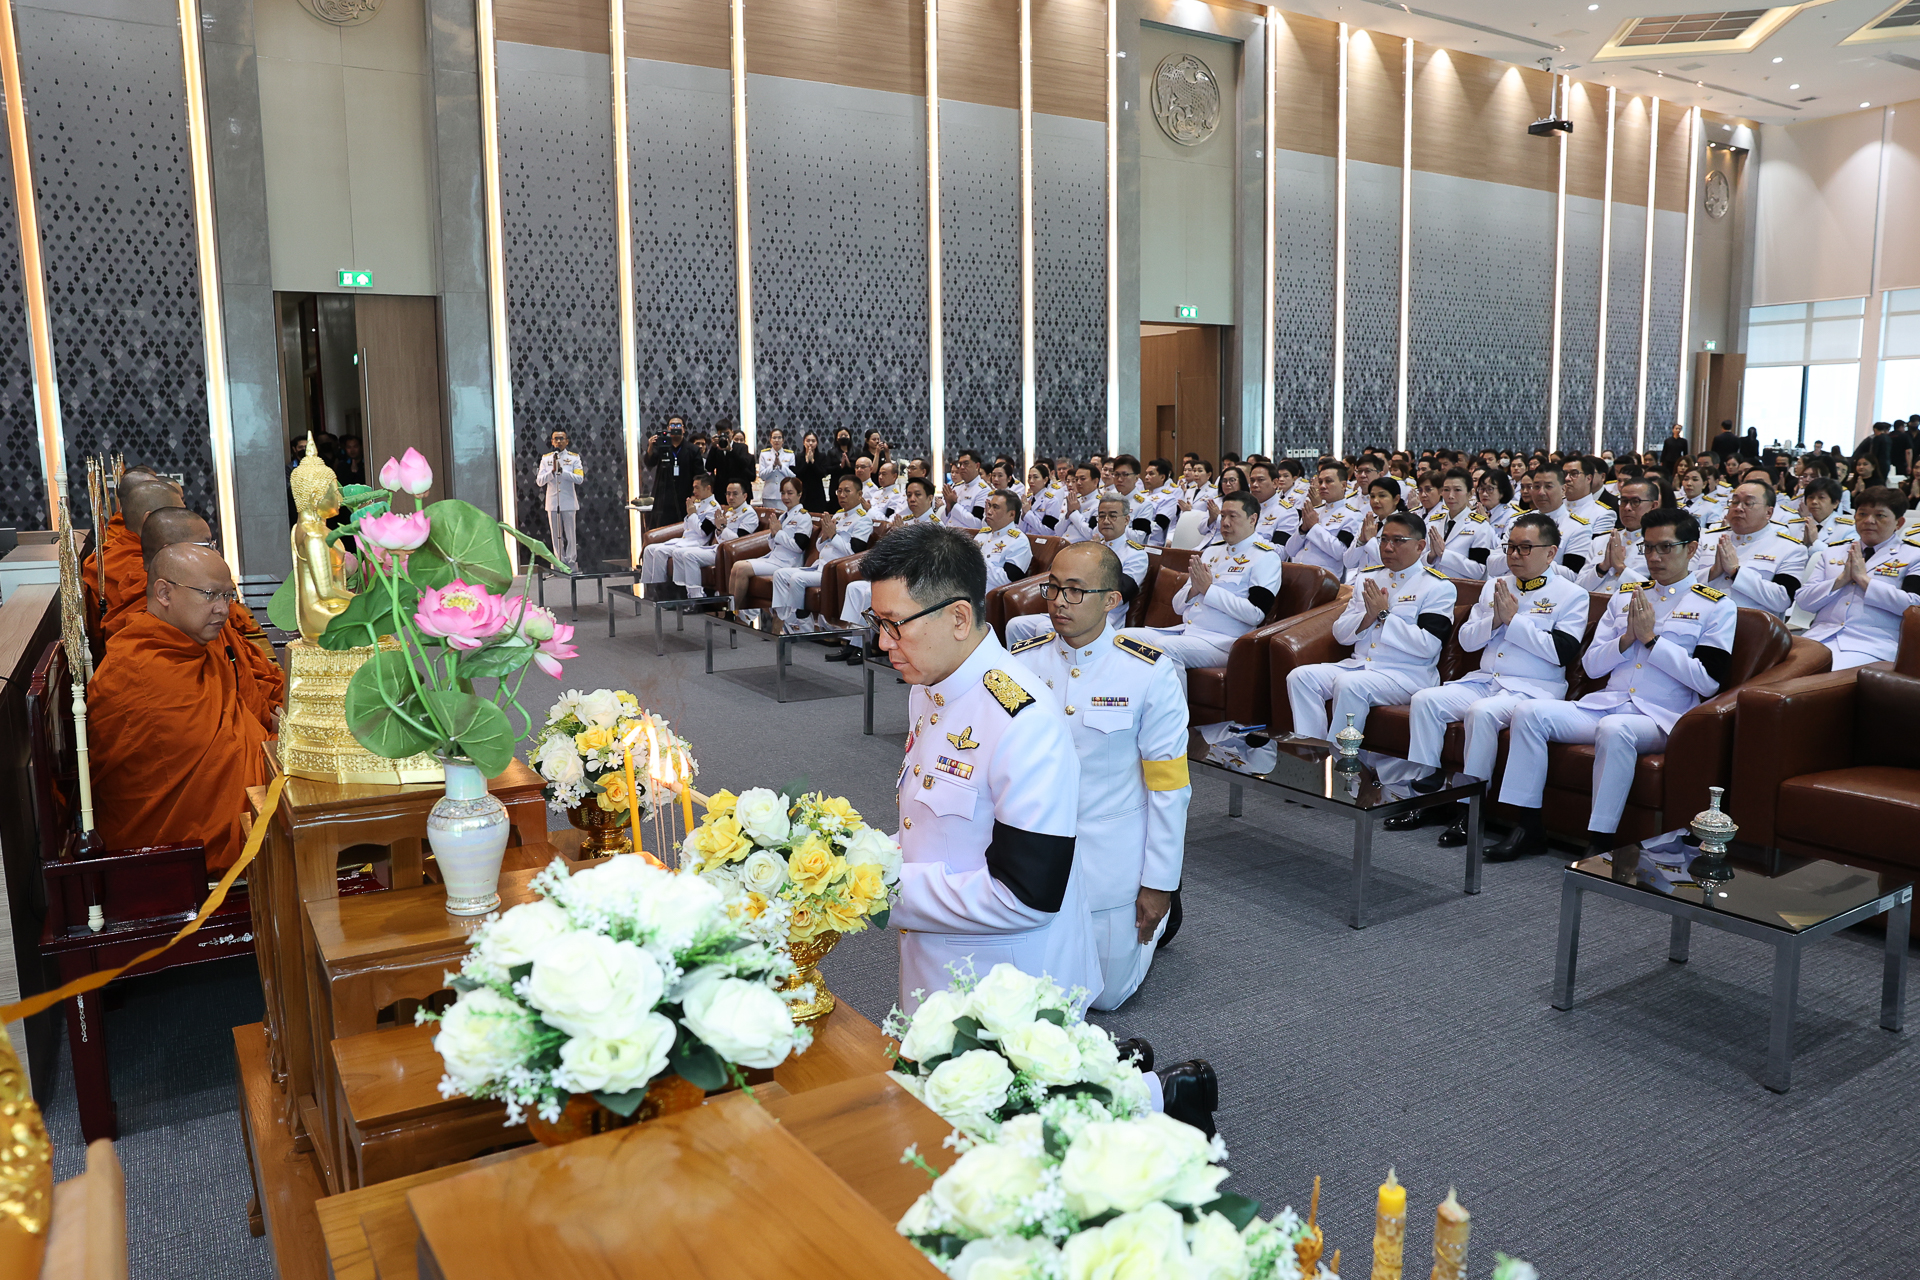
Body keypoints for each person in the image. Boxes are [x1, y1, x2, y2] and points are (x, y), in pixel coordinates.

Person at [1489, 508, 1736, 861]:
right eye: (1648, 547)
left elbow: (1707, 681)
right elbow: (1591, 667)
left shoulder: (1716, 606)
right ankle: (1527, 826)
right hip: (1608, 703)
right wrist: (1626, 640)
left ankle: (1601, 840)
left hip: (1661, 716)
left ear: (1692, 548)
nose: (1654, 557)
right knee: (1528, 713)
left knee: (1615, 729)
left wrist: (1651, 640)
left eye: (1666, 547)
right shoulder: (1625, 596)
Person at [1011, 541, 1191, 1010]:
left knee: (1104, 997)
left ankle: (1163, 917)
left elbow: (1169, 787)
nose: (1059, 602)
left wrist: (1160, 882)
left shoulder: (1148, 672)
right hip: (1034, 854)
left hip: (1108, 862)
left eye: (1075, 591)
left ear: (1112, 600)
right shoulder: (1021, 664)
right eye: (1053, 588)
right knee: (1029, 988)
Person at [1391, 513, 1590, 847]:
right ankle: (1426, 795)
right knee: (1425, 700)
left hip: (1531, 689)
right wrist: (1495, 621)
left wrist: (1513, 622)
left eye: (1525, 548)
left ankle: (1470, 809)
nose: (1514, 555)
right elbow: (1467, 641)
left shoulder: (1572, 595)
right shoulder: (1494, 586)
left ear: (1551, 552)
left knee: (1481, 713)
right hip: (1485, 680)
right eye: (1510, 547)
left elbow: (1561, 653)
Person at [89, 544, 279, 872]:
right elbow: (221, 772)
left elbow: (236, 731)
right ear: (164, 593)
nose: (223, 609)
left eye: (227, 596)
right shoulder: (138, 672)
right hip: (175, 851)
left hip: (234, 788)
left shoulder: (198, 644)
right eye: (210, 595)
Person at [1286, 511, 1456, 741]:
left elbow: (1428, 646)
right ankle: (1313, 752)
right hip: (1360, 666)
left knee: (1350, 684)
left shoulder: (1437, 587)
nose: (1387, 547)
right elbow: (1341, 634)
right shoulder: (1368, 579)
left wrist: (1384, 615)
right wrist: (1368, 617)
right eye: (1383, 539)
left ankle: (1340, 757)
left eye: (1398, 541)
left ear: (1420, 546)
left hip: (1406, 674)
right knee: (1300, 677)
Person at [1118, 491, 1280, 687]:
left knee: (1165, 648)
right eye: (1222, 515)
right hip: (1186, 633)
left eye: (1233, 516)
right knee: (1121, 639)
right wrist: (1194, 590)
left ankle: (1174, 708)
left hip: (1223, 643)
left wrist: (1208, 589)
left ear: (1252, 519)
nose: (1225, 523)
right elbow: (1178, 607)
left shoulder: (1265, 557)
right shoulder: (1211, 552)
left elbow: (1255, 614)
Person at [1797, 486, 1920, 669]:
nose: (1868, 521)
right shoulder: (1833, 552)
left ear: (1899, 523)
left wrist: (1864, 580)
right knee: (1770, 668)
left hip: (1872, 643)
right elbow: (1804, 601)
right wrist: (1840, 580)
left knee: (1816, 672)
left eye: (1880, 515)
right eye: (1862, 514)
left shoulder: (1913, 556)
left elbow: (1913, 607)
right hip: (1819, 637)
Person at [1007, 494, 1146, 648]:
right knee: (1016, 625)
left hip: (1101, 617)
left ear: (1126, 520)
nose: (1106, 521)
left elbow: (1123, 593)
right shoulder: (1088, 548)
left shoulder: (1135, 554)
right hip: (1069, 607)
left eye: (1113, 516)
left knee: (1044, 628)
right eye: (1101, 516)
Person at [1689, 478, 1809, 618]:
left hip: (1750, 625)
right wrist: (1712, 572)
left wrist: (1736, 572)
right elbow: (1680, 583)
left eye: (1748, 503)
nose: (1738, 508)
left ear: (1768, 513)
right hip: (1699, 619)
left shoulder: (1790, 549)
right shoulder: (1706, 539)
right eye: (1734, 502)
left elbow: (1782, 600)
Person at [774, 474, 873, 632]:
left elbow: (854, 553)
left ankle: (804, 627)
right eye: (839, 491)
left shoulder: (863, 520)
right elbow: (821, 548)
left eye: (847, 491)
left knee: (797, 579)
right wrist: (825, 537)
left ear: (860, 494)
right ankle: (785, 619)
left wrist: (833, 536)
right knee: (780, 574)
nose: (842, 495)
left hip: (834, 572)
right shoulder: (838, 515)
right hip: (820, 566)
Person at [91, 481, 186, 632]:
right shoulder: (143, 573)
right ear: (148, 519)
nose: (187, 522)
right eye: (178, 515)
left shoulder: (116, 552)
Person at [727, 476, 812, 623]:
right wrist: (773, 535)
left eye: (790, 493)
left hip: (788, 563)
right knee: (736, 566)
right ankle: (736, 612)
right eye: (783, 493)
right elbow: (773, 545)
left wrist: (778, 533)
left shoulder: (803, 517)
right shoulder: (784, 516)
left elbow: (798, 547)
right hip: (774, 558)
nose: (785, 497)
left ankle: (736, 612)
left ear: (799, 494)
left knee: (741, 568)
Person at [668, 479, 759, 598]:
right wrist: (720, 530)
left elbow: (738, 542)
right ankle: (681, 594)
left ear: (745, 496)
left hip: (730, 553)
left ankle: (696, 597)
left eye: (735, 494)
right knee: (678, 553)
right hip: (718, 548)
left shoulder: (749, 514)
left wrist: (722, 528)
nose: (731, 497)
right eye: (728, 494)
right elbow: (720, 535)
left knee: (689, 556)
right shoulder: (729, 512)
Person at [1577, 475, 1664, 593]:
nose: (1627, 508)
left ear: (1653, 506)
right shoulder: (1601, 540)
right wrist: (1602, 567)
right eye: (1623, 501)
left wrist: (1620, 567)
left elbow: (1657, 591)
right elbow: (1579, 587)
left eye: (1635, 502)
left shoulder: (1662, 545)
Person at [639, 473, 717, 599]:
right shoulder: (697, 504)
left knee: (660, 551)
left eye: (697, 488)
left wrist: (692, 514)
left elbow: (703, 532)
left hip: (696, 544)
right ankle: (649, 589)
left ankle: (662, 592)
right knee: (649, 549)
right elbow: (687, 527)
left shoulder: (713, 508)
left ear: (708, 488)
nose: (694, 491)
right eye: (693, 487)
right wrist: (691, 512)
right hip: (684, 541)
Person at [1424, 468, 1500, 580]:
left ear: (1470, 494)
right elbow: (1419, 561)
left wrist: (1444, 554)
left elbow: (1479, 571)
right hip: (1431, 584)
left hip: (1460, 587)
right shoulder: (1433, 522)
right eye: (1446, 490)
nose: (1451, 496)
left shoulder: (1479, 526)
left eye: (1457, 490)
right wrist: (1430, 556)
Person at [1291, 461, 1363, 576]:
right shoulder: (1314, 511)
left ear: (1343, 485)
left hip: (1324, 578)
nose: (1322, 486)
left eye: (1328, 481)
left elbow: (1341, 553)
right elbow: (1290, 550)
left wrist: (1314, 527)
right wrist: (1303, 529)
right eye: (1320, 482)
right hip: (1297, 573)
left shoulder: (1352, 515)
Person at [1520, 465, 1593, 577]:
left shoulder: (1578, 528)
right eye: (1536, 486)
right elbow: (1494, 563)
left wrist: (1531, 558)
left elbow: (1573, 575)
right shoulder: (1519, 521)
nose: (1541, 492)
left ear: (1563, 490)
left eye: (1548, 487)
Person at [1342, 477, 1409, 580]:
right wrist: (1361, 541)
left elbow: (1392, 562)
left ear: (1396, 499)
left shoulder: (1404, 525)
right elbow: (1348, 563)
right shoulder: (1368, 523)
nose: (1375, 501)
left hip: (1388, 582)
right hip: (1360, 581)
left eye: (1382, 496)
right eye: (1372, 496)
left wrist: (1370, 541)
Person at [536, 429, 584, 571]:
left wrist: (563, 472)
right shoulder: (546, 459)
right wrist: (552, 472)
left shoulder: (574, 458)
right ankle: (558, 561)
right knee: (556, 535)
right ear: (552, 442)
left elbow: (579, 478)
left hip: (568, 501)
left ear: (567, 441)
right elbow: (539, 481)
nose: (558, 441)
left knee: (570, 534)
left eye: (561, 438)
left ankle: (571, 561)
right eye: (555, 439)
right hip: (552, 502)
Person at [644, 419, 703, 528]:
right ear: (668, 429)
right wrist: (650, 447)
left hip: (685, 494)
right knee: (662, 527)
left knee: (684, 527)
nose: (675, 427)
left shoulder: (693, 449)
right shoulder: (662, 446)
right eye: (672, 425)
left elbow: (699, 474)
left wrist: (694, 494)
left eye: (678, 425)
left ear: (684, 429)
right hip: (664, 494)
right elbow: (650, 463)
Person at [975, 490, 1033, 592]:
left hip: (986, 596)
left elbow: (1008, 580)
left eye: (995, 507)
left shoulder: (1019, 541)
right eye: (990, 506)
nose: (989, 511)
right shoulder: (982, 535)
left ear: (1011, 514)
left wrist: (976, 561)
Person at [1562, 455, 1618, 542]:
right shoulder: (1553, 506)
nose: (1567, 479)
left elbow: (1597, 547)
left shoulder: (1603, 514)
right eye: (1564, 474)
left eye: (1574, 474)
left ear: (1588, 478)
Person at [943, 450, 991, 531]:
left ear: (977, 466)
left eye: (966, 463)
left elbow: (977, 524)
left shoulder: (983, 490)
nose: (962, 467)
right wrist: (948, 507)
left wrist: (953, 504)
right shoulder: (957, 488)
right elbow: (946, 520)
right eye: (960, 464)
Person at [792, 430, 832, 512]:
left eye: (813, 441)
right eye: (808, 441)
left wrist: (813, 461)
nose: (810, 443)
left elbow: (822, 473)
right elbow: (797, 474)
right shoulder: (798, 457)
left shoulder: (822, 456)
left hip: (817, 491)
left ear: (817, 443)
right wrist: (806, 461)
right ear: (804, 442)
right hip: (803, 491)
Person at [757, 429, 796, 506]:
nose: (777, 440)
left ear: (783, 440)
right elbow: (762, 476)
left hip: (785, 494)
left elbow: (793, 476)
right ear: (770, 440)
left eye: (779, 438)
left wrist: (781, 466)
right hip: (769, 495)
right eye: (774, 438)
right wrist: (773, 466)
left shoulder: (790, 455)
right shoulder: (764, 454)